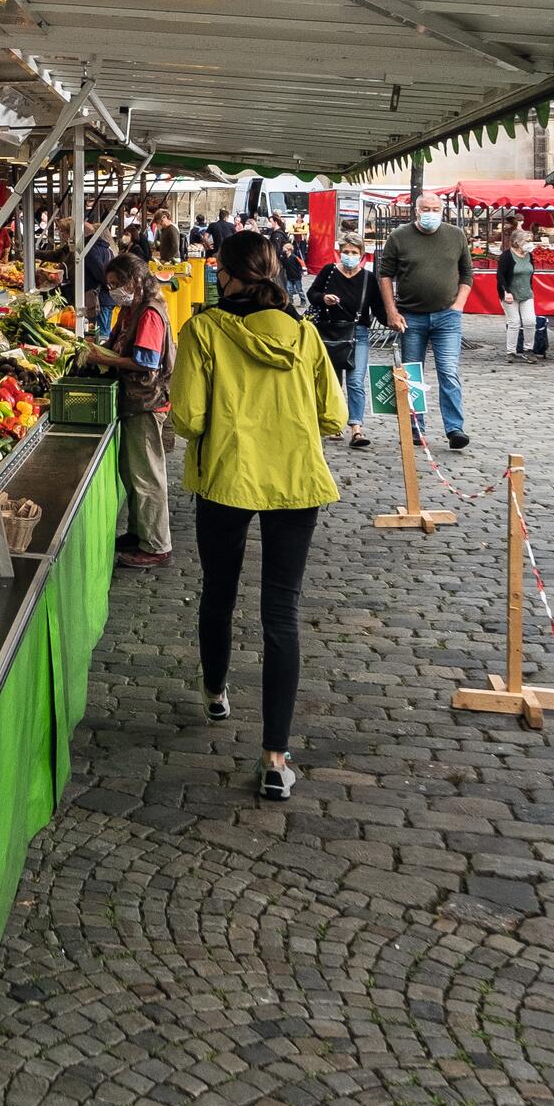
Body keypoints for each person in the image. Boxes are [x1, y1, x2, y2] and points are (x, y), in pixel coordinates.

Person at [169, 229, 343, 801]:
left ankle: (216, 691)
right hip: (296, 481)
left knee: (219, 591)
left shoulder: (203, 332)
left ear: (227, 273)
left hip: (226, 477)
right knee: (281, 614)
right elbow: (334, 416)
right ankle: (275, 756)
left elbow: (188, 419)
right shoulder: (305, 335)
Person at [83, 248, 174, 568]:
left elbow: (145, 361)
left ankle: (157, 545)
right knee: (133, 473)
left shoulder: (149, 312)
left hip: (146, 401)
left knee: (148, 476)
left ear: (134, 281)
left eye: (115, 284)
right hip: (133, 400)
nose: (112, 291)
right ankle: (139, 533)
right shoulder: (132, 308)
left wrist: (103, 358)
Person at [375, 196, 475, 449]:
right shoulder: (399, 237)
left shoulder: (455, 235)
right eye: (426, 209)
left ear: (442, 211)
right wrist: (391, 311)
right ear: (416, 211)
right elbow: (385, 275)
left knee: (449, 372)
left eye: (435, 209)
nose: (431, 213)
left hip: (447, 317)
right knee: (412, 374)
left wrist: (458, 304)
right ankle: (415, 427)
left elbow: (467, 273)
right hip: (411, 317)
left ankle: (455, 428)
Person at [306, 235, 382, 448]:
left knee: (356, 380)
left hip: (357, 333)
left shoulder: (368, 278)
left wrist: (394, 319)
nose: (350, 256)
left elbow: (377, 308)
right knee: (334, 381)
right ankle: (335, 422)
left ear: (361, 254)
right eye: (346, 252)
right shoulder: (329, 272)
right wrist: (324, 298)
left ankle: (356, 428)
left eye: (354, 252)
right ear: (340, 252)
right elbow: (312, 293)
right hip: (331, 332)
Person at [493, 221, 538, 361]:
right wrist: (506, 291)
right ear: (517, 242)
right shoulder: (507, 256)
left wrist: (530, 289)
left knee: (530, 321)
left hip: (526, 293)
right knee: (514, 322)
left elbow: (530, 273)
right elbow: (500, 275)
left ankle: (528, 349)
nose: (530, 243)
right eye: (527, 241)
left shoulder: (529, 256)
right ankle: (511, 351)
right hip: (509, 293)